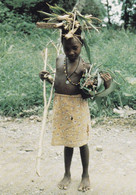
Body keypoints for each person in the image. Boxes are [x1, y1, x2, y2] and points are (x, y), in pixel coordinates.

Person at [39, 33, 111, 192]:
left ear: (82, 46)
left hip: (78, 107)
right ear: (62, 46)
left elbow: (91, 92)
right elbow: (59, 81)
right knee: (68, 141)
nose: (71, 52)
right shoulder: (59, 60)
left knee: (81, 141)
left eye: (75, 48)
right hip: (62, 105)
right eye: (67, 48)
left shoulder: (85, 66)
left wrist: (106, 85)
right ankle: (67, 173)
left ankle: (85, 175)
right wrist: (48, 78)